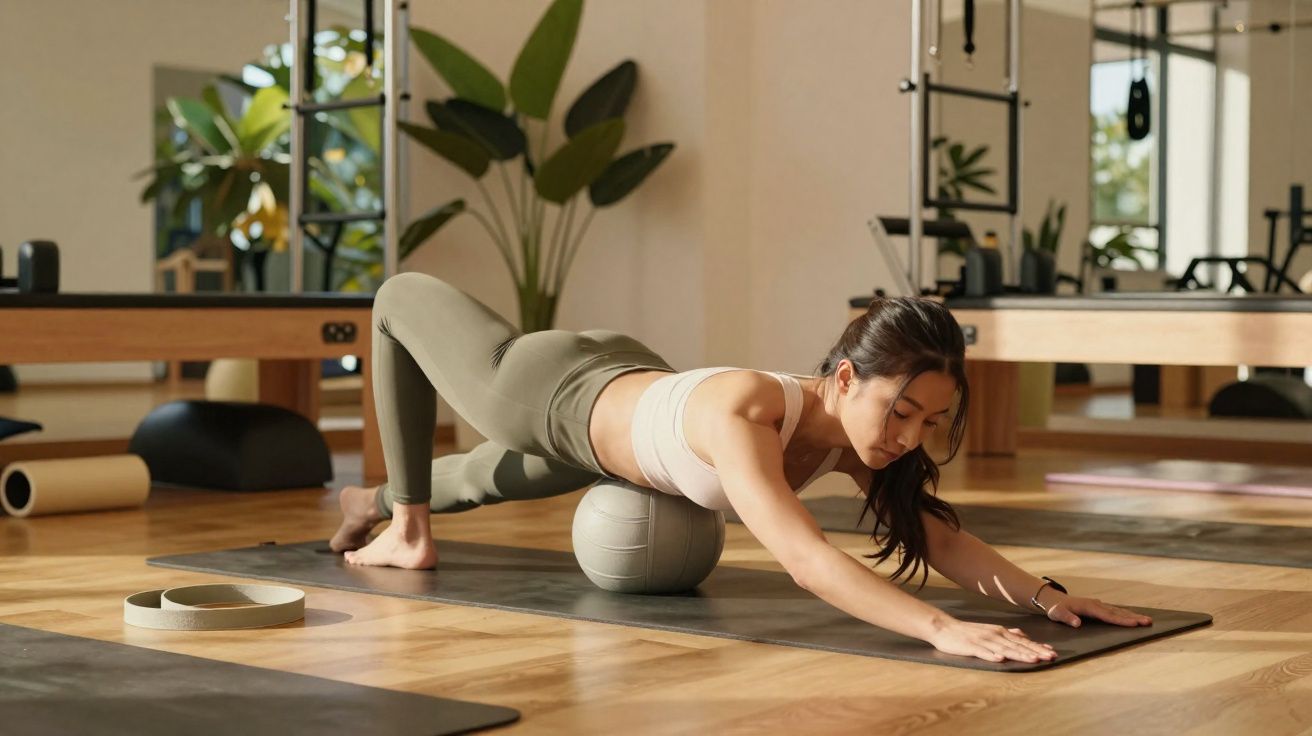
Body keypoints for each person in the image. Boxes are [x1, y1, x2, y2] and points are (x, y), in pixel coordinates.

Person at [331, 271, 1151, 664]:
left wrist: (1046, 597)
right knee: (399, 296)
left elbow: (938, 537)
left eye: (931, 422)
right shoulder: (747, 415)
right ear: (843, 378)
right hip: (547, 391)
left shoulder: (855, 443)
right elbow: (805, 559)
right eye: (900, 411)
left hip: (632, 366)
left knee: (483, 479)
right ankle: (407, 530)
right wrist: (942, 629)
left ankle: (365, 501)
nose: (909, 435)